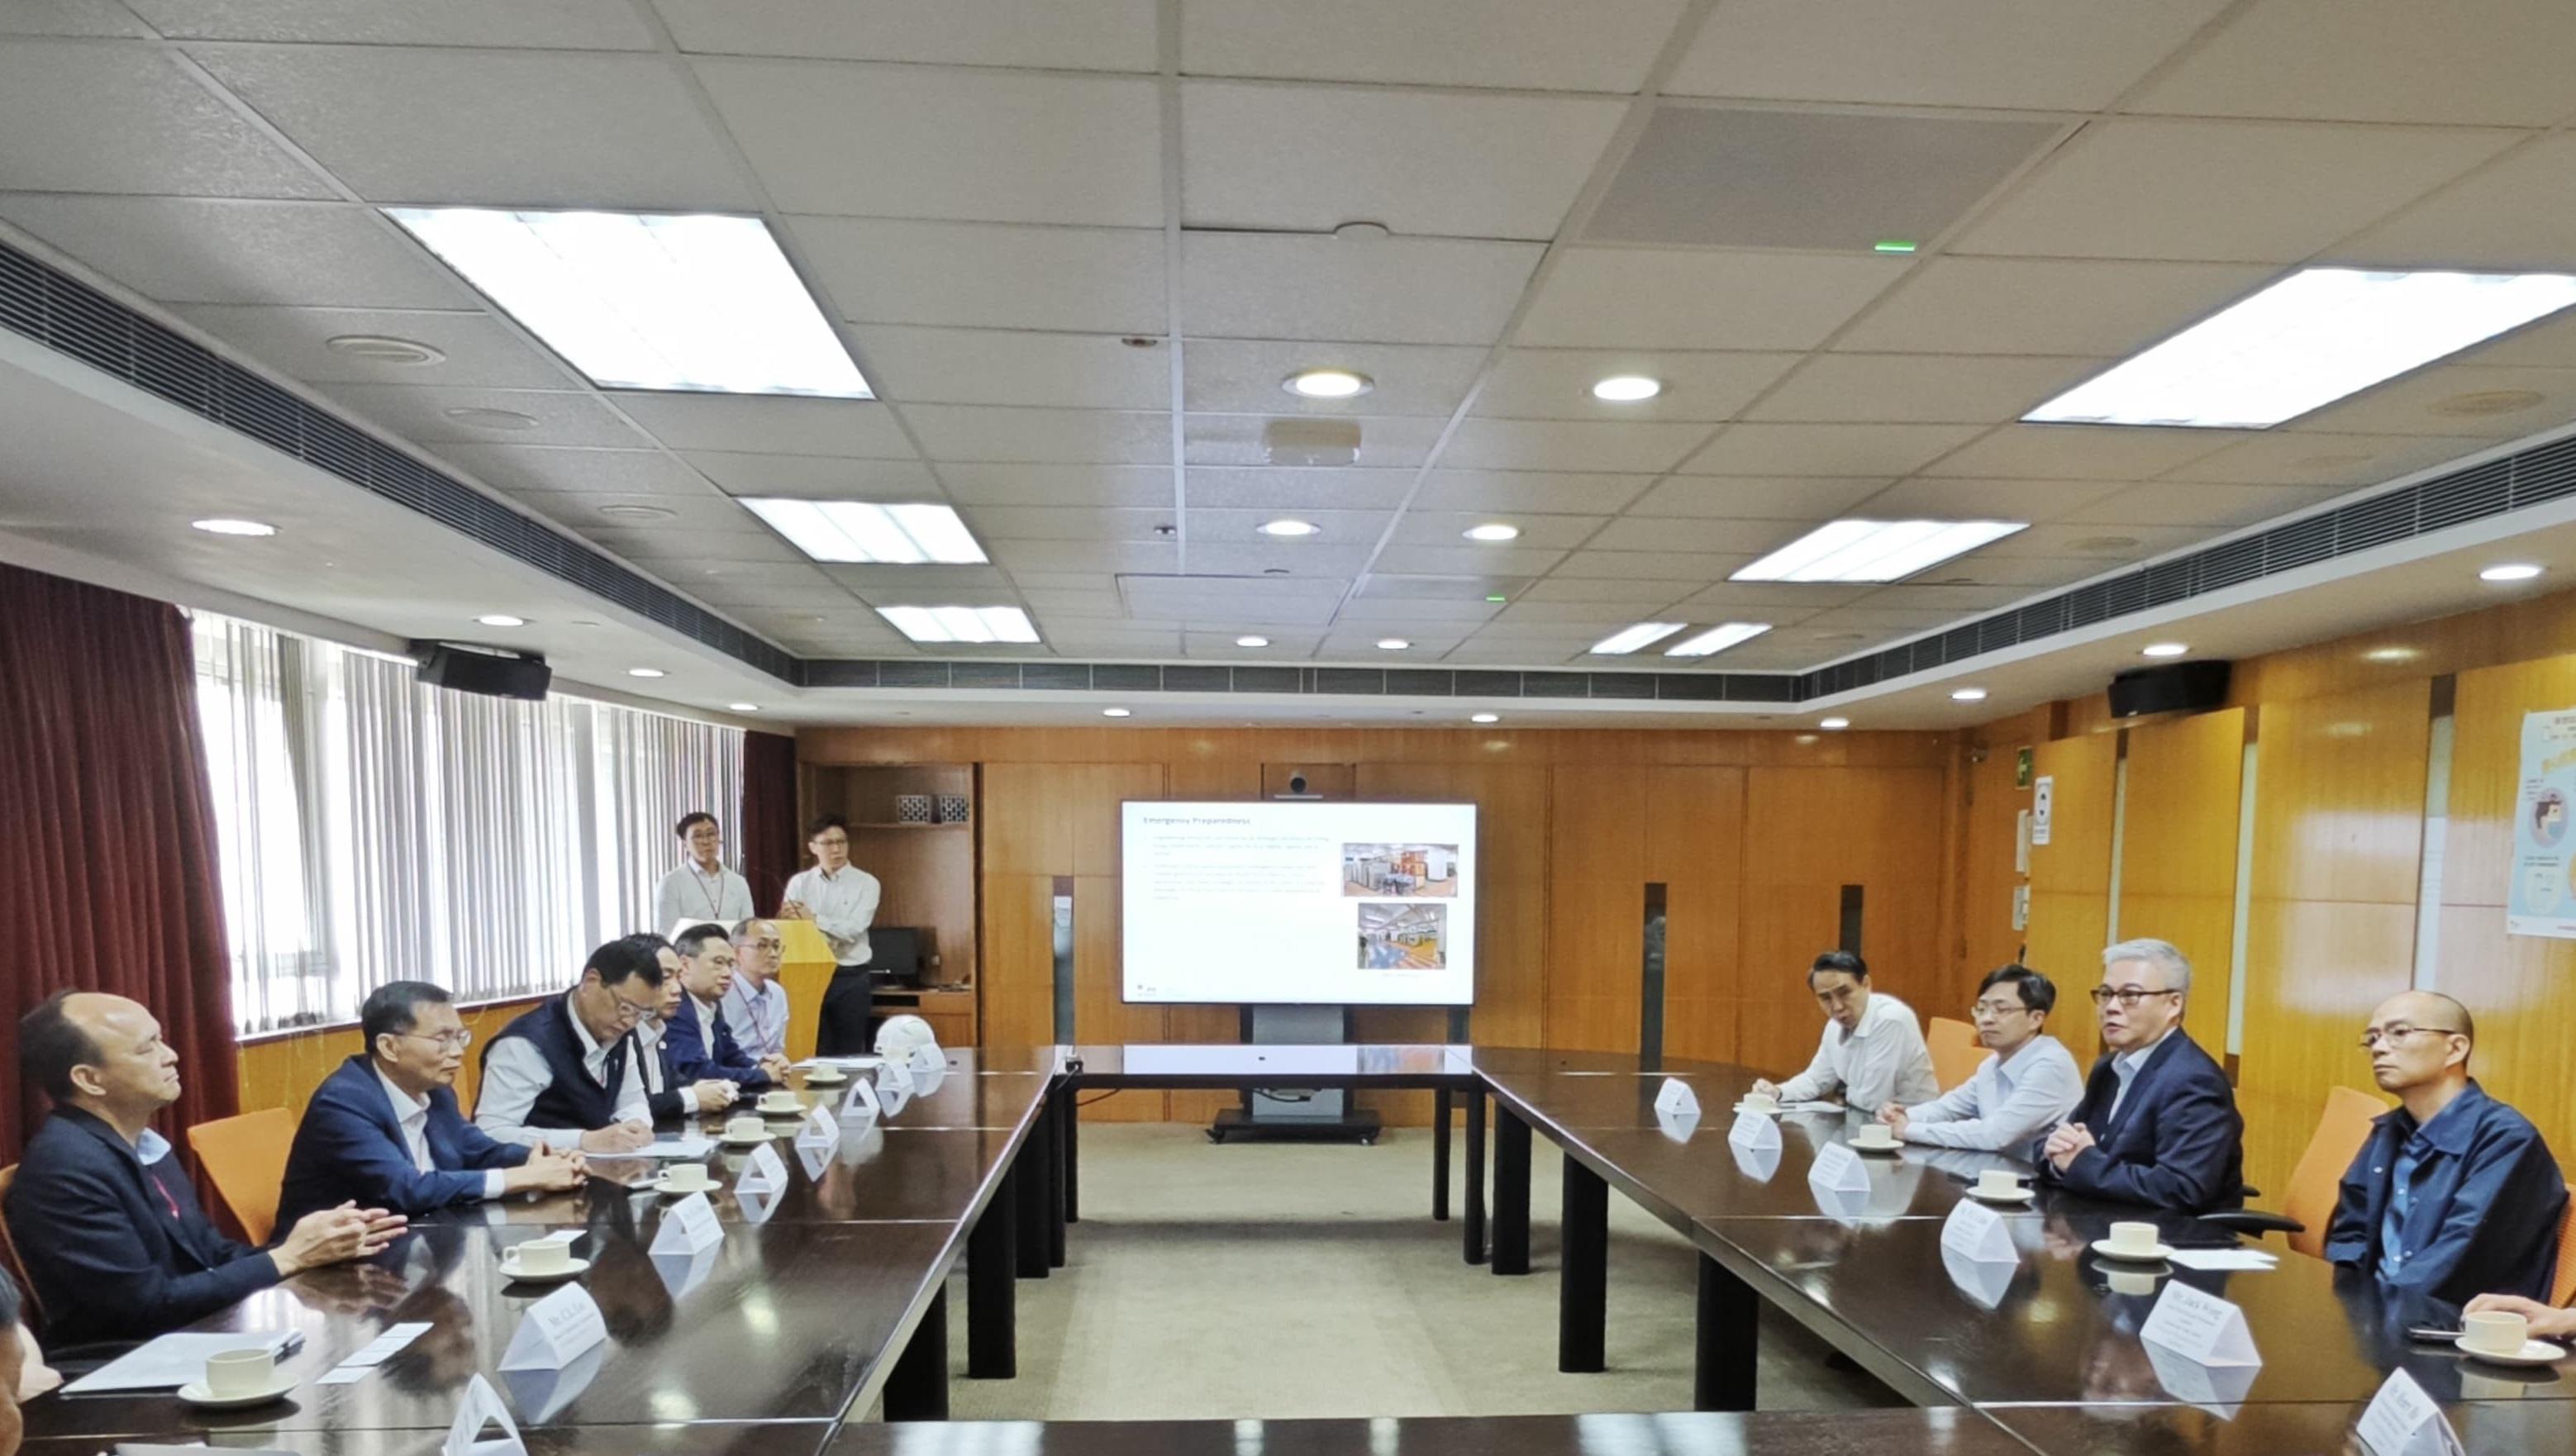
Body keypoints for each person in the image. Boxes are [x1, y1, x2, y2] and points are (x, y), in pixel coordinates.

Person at [5, 992, 405, 1345]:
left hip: (194, 1334)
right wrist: (286, 1259)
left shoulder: (142, 1144)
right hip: (130, 1359)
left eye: (161, 1038)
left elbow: (210, 1254)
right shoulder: (65, 1171)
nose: (171, 1055)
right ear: (90, 1080)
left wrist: (317, 1247)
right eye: (147, 1049)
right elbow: (141, 1308)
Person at [277, 982, 588, 1226]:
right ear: (390, 1046)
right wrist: (522, 1178)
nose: (457, 1052)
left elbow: (477, 1150)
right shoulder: (344, 1102)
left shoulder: (434, 1088)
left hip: (419, 1241)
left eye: (459, 1037)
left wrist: (542, 1159)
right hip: (329, 1270)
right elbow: (405, 1189)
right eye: (443, 1039)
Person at [2322, 992, 2565, 1304]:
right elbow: (2352, 1230)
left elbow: (2460, 1256)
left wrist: (2378, 1310)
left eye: (2399, 1033)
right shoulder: (2390, 1130)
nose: (2379, 1048)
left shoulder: (2507, 1139)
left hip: (2448, 1325)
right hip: (2379, 1312)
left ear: (2455, 1049)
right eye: (2372, 1038)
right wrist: (2344, 1299)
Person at [2032, 938, 2245, 1213]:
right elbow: (2062, 1147)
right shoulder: (2109, 1068)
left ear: (2173, 1004)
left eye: (2130, 996)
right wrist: (2054, 1154)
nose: (2111, 1007)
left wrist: (2080, 1163)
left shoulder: (2193, 1080)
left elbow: (2181, 1188)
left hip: (2170, 1240)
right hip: (2107, 1221)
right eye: (2106, 994)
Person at [474, 938, 664, 1154]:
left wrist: (638, 1124)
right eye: (625, 1007)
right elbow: (491, 1133)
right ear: (590, 982)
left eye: (642, 1013)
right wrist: (583, 1140)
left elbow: (632, 1101)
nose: (630, 1021)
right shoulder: (526, 1044)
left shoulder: (619, 1032)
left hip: (599, 1171)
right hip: (537, 1176)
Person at [1878, 964, 2083, 1151]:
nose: (1986, 1019)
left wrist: (1909, 1130)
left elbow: (1994, 1135)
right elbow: (1948, 1107)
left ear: (2036, 1019)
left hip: (2040, 1183)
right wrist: (1902, 1116)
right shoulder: (1992, 1064)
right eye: (1982, 1009)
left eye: (2001, 1010)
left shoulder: (2051, 1065)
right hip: (2000, 1176)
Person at [1750, 950, 1937, 1111]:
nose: (1837, 1007)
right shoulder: (1835, 1025)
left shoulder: (1891, 1019)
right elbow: (1816, 1080)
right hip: (1869, 1123)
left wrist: (1842, 1097)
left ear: (1866, 984)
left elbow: (1872, 1101)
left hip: (1911, 1129)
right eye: (1825, 998)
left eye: (1844, 993)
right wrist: (1778, 1092)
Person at [631, 935, 740, 1122]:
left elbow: (674, 1083)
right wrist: (692, 1097)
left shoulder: (657, 1030)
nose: (677, 989)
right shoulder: (620, 1037)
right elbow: (626, 1110)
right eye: (665, 978)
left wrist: (710, 1088)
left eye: (678, 977)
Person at [666, 922, 788, 1088]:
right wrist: (762, 1075)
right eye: (718, 962)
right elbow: (696, 1071)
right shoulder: (675, 1007)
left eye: (731, 965)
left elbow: (730, 1055)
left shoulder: (711, 1002)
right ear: (685, 965)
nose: (727, 973)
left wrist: (760, 1065)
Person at [780, 814, 880, 973]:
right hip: (809, 968)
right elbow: (793, 925)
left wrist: (813, 919)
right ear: (813, 847)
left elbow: (854, 929)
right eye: (828, 843)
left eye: (841, 842)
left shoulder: (867, 883)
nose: (836, 849)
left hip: (850, 970)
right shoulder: (799, 882)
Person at [654, 811, 754, 932]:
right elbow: (667, 932)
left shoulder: (738, 882)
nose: (706, 841)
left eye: (711, 834)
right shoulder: (671, 883)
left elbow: (749, 930)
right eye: (698, 836)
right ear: (685, 843)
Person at [722, 917, 792, 1062]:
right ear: (736, 952)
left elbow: (778, 1048)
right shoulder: (724, 992)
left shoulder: (777, 992)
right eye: (762, 945)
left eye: (776, 946)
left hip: (770, 1073)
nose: (773, 954)